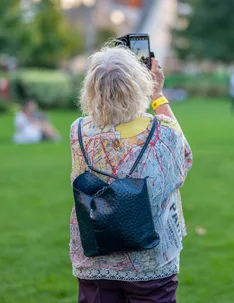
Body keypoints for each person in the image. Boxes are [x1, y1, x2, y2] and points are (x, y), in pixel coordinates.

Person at [69, 46, 192, 302]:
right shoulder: (162, 132)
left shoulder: (78, 132)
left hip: (96, 255)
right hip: (149, 261)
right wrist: (157, 96)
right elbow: (184, 160)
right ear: (139, 84)